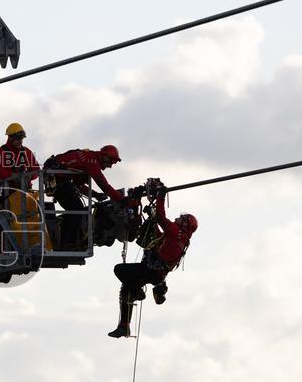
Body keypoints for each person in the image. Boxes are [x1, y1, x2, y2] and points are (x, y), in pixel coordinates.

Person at [109, 186, 197, 338]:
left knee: (120, 270)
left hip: (151, 271)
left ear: (184, 224)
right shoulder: (180, 238)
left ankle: (137, 292)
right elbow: (159, 237)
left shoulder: (177, 232)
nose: (177, 219)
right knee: (126, 289)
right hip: (154, 272)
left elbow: (162, 218)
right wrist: (152, 216)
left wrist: (161, 197)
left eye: (181, 219)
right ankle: (124, 326)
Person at [44, 145, 124, 249]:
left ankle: (66, 241)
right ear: (105, 156)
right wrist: (122, 199)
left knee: (75, 209)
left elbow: (79, 185)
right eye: (111, 161)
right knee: (77, 209)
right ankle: (67, 243)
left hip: (58, 178)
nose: (110, 166)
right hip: (57, 179)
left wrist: (95, 195)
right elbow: (104, 186)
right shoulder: (91, 161)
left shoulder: (88, 158)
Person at [0, 123, 49, 250]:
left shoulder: (26, 152)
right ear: (10, 138)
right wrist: (15, 175)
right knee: (8, 221)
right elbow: (0, 173)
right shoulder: (0, 153)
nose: (20, 142)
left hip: (26, 193)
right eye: (18, 139)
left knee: (34, 216)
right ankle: (4, 247)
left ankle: (35, 243)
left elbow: (36, 170)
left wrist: (29, 176)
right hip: (10, 194)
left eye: (21, 139)